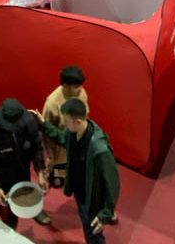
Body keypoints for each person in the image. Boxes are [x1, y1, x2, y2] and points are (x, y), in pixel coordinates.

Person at [31, 98, 120, 244]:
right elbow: (61, 138)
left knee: (94, 233)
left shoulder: (100, 149)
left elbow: (112, 183)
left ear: (77, 121)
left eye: (66, 121)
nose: (64, 124)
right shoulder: (72, 133)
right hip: (80, 192)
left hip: (92, 199)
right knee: (87, 226)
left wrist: (106, 214)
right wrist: (44, 124)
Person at [0, 98, 49, 227]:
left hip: (22, 172)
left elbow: (36, 147)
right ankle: (10, 224)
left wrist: (40, 172)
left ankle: (33, 209)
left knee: (27, 193)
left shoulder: (29, 123)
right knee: (9, 219)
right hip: (2, 181)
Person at [42, 66, 90, 192]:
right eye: (76, 87)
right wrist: (50, 155)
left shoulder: (81, 92)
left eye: (80, 86)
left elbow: (85, 115)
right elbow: (46, 131)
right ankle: (56, 178)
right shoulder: (52, 103)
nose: (80, 89)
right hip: (60, 146)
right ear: (66, 86)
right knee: (58, 173)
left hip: (77, 141)